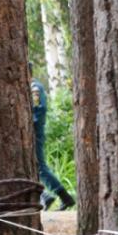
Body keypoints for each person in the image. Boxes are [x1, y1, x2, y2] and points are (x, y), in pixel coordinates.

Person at [29, 76, 74, 210]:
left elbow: (39, 110)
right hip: (32, 132)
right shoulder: (31, 87)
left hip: (34, 132)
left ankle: (64, 197)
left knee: (40, 167)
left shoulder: (35, 87)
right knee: (32, 166)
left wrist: (31, 125)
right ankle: (44, 196)